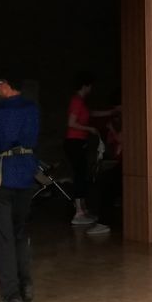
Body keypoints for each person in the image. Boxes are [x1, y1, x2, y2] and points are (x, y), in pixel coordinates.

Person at [0, 73, 40, 302]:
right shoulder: (32, 109)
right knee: (20, 232)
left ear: (5, 85)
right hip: (27, 173)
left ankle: (12, 298)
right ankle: (25, 287)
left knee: (4, 237)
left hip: (3, 174)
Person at [63, 74, 109, 234]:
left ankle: (82, 209)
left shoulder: (81, 102)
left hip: (78, 142)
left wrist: (111, 111)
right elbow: (71, 123)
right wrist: (90, 129)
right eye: (90, 86)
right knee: (79, 174)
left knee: (82, 174)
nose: (91, 89)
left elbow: (92, 113)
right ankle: (79, 212)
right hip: (74, 142)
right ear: (85, 86)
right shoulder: (77, 101)